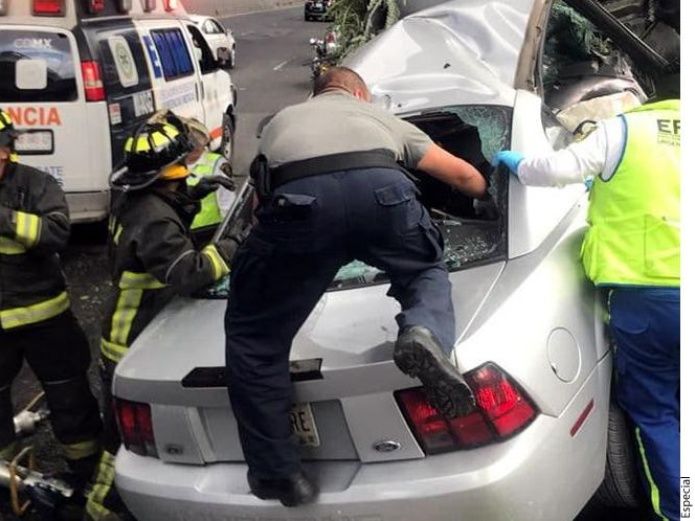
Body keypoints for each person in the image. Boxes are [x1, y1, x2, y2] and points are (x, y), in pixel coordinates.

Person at [225, 67, 489, 506]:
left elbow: (259, 205)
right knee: (424, 271)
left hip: (299, 208)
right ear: (360, 94)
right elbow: (462, 176)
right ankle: (423, 331)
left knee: (255, 339)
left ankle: (280, 475)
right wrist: (488, 198)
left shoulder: (280, 122)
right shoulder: (384, 120)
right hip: (383, 197)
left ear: (317, 94)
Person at [493, 99, 680, 521]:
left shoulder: (623, 131)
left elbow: (555, 170)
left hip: (645, 302)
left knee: (656, 413)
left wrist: (517, 165)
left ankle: (682, 508)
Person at [84, 114, 241, 521]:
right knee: (122, 436)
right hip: (131, 337)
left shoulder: (138, 198)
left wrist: (192, 194)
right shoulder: (152, 215)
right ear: (172, 169)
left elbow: (164, 216)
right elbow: (188, 273)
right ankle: (102, 509)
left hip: (136, 328)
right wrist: (231, 248)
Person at [0, 108, 102, 489]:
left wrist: (5, 219)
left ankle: (86, 476)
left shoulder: (35, 185)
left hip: (46, 320)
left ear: (9, 150)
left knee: (69, 398)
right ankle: (6, 478)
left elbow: (57, 233)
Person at [183, 117, 236, 237]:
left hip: (210, 233)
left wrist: (226, 235)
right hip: (182, 233)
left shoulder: (217, 164)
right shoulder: (173, 167)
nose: (196, 147)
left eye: (198, 142)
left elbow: (227, 204)